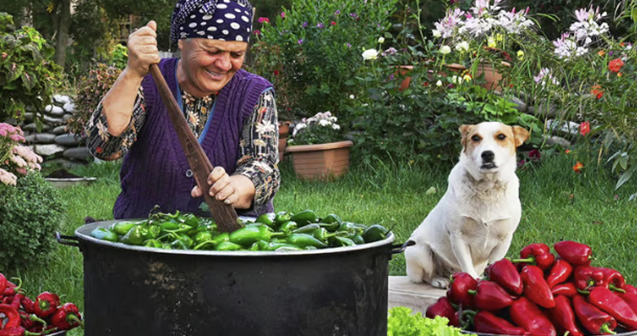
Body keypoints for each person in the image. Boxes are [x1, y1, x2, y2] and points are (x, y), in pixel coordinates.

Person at [86, 0, 280, 220]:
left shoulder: (254, 93)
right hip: (146, 236)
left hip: (232, 242)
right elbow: (104, 147)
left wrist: (234, 188)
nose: (225, 64)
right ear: (182, 41)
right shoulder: (147, 82)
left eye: (236, 55)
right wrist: (132, 72)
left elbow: (263, 167)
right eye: (212, 51)